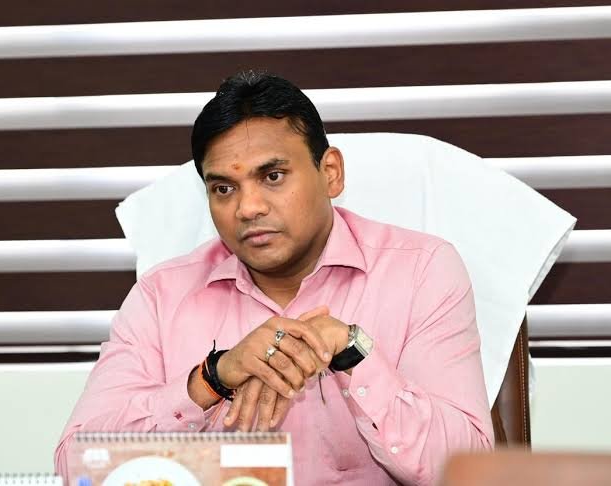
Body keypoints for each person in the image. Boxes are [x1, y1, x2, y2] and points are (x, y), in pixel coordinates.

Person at [55, 71, 494, 485]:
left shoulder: (421, 271)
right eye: (224, 188)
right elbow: (80, 467)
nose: (248, 208)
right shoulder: (161, 296)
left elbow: (467, 471)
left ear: (330, 173)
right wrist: (211, 378)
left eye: (273, 176)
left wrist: (351, 351)